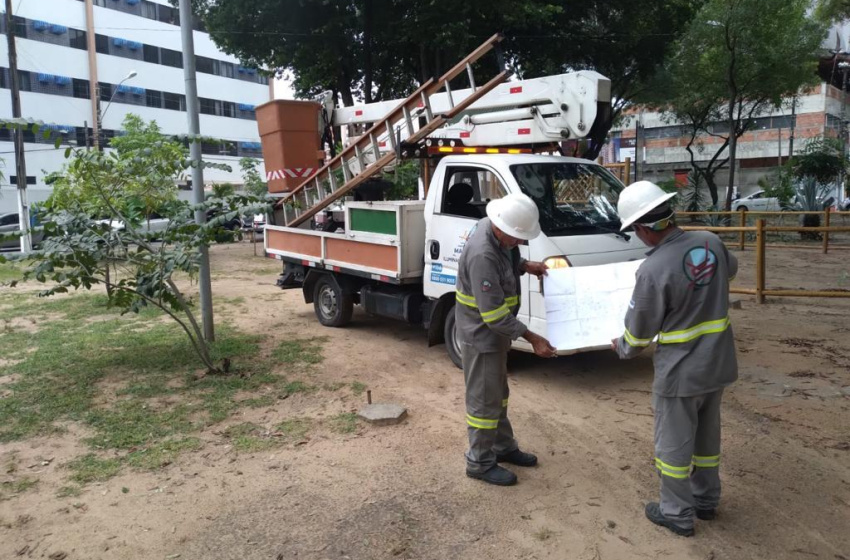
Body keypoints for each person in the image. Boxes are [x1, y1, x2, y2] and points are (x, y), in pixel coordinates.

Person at [611, 181, 738, 537]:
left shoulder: (652, 270)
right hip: (718, 365)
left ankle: (677, 513)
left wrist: (620, 347)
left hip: (680, 375)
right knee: (707, 441)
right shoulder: (711, 241)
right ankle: (706, 501)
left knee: (674, 447)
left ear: (642, 228)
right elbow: (730, 271)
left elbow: (637, 334)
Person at [455, 192, 558, 486]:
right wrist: (532, 337)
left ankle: (502, 447)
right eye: (516, 238)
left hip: (495, 338)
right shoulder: (482, 254)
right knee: (483, 403)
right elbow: (495, 315)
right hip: (482, 336)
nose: (519, 243)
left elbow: (509, 257)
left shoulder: (498, 232)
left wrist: (527, 266)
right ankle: (479, 462)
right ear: (501, 228)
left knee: (497, 396)